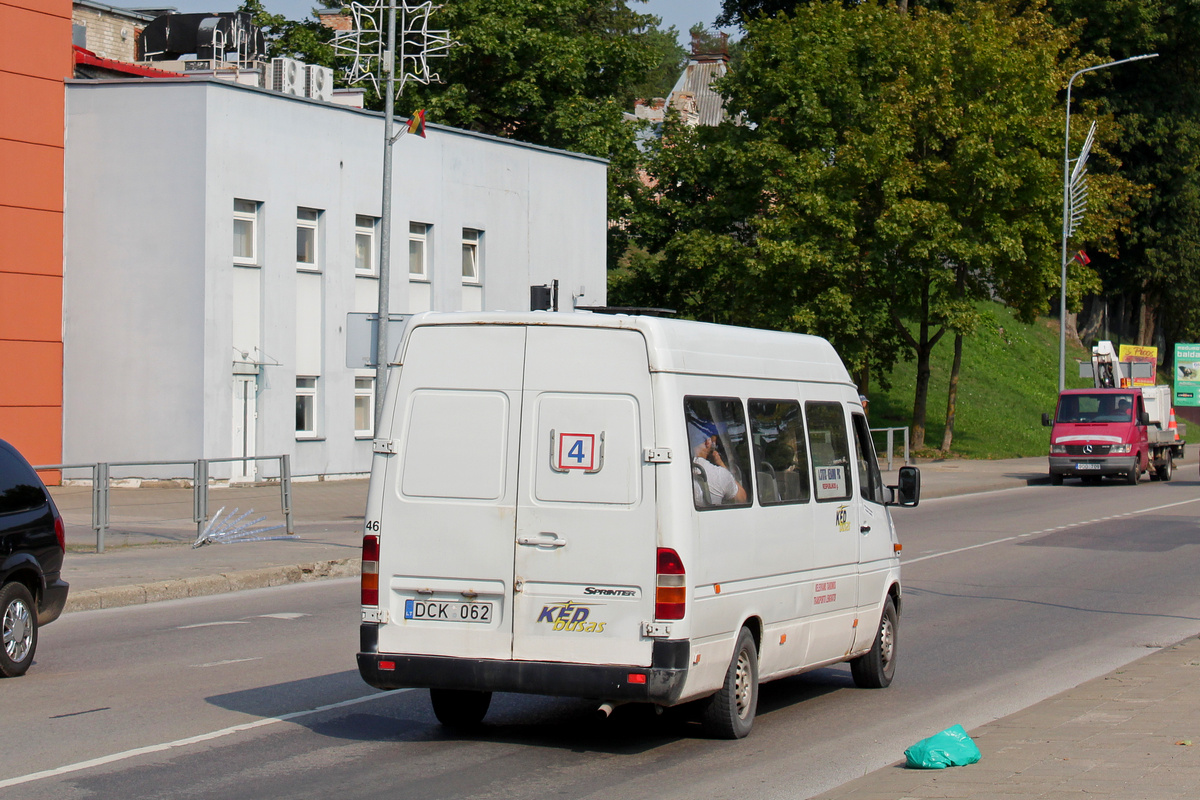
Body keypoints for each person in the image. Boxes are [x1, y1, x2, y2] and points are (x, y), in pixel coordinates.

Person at [692, 434, 747, 506]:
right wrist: (721, 464)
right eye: (714, 443)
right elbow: (742, 498)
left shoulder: (679, 469)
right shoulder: (719, 474)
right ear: (708, 442)